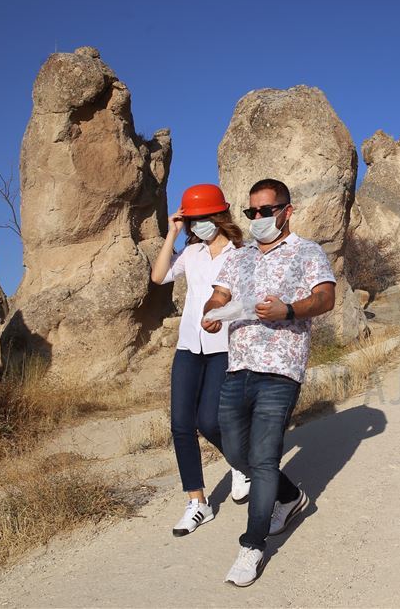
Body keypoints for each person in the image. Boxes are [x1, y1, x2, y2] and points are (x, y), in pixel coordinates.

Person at [201, 178, 337, 587]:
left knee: (262, 457)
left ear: (286, 211)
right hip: (238, 364)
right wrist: (212, 312)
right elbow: (220, 295)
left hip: (281, 368)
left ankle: (252, 546)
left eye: (266, 210)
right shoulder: (239, 256)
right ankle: (290, 496)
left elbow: (326, 297)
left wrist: (288, 310)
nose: (257, 217)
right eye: (252, 212)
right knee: (225, 440)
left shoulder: (307, 251)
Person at [150, 184, 251, 538]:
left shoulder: (242, 254)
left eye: (202, 218)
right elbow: (158, 276)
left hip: (224, 346)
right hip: (188, 347)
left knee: (209, 421)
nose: (198, 225)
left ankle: (241, 464)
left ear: (219, 215)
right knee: (181, 425)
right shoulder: (192, 252)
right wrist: (172, 233)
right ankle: (197, 502)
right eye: (192, 220)